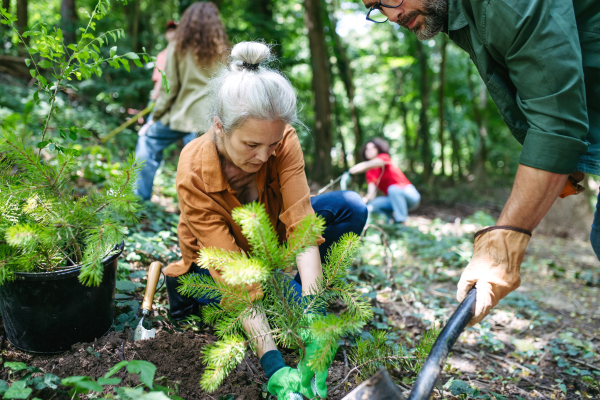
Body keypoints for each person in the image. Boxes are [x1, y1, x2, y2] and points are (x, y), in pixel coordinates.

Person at [359, 0, 599, 326]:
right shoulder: (460, 14)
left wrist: (501, 247)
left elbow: (556, 124)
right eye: (376, 7)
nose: (391, 14)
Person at [163, 41, 368, 398]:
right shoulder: (192, 169)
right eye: (251, 145)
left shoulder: (281, 139)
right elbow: (235, 276)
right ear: (219, 127)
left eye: (272, 145)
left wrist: (315, 313)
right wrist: (273, 363)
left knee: (350, 206)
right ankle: (275, 304)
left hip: (269, 248)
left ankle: (298, 308)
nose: (264, 155)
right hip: (216, 269)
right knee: (272, 292)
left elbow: (302, 226)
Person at [134, 2, 230, 200]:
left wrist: (154, 118)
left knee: (147, 141)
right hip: (208, 121)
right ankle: (206, 212)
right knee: (205, 168)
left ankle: (137, 200)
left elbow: (170, 89)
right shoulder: (222, 49)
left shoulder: (177, 46)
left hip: (180, 115)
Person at [349, 137, 420, 223]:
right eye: (367, 149)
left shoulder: (383, 157)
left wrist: (351, 171)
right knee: (373, 205)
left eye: (373, 148)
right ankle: (389, 222)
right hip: (393, 199)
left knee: (393, 189)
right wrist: (360, 201)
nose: (369, 150)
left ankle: (401, 222)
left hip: (410, 194)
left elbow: (372, 163)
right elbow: (371, 195)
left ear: (378, 149)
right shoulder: (369, 173)